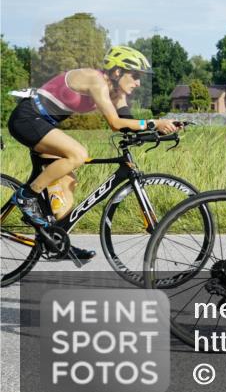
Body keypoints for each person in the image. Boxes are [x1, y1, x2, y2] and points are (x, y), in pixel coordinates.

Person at [7, 45, 181, 261]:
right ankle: (25, 197)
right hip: (27, 118)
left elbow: (128, 120)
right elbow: (116, 123)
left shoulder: (117, 93)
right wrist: (156, 122)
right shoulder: (95, 80)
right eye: (135, 76)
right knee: (78, 154)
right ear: (117, 72)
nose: (138, 83)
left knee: (67, 189)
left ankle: (58, 243)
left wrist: (155, 130)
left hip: (44, 123)